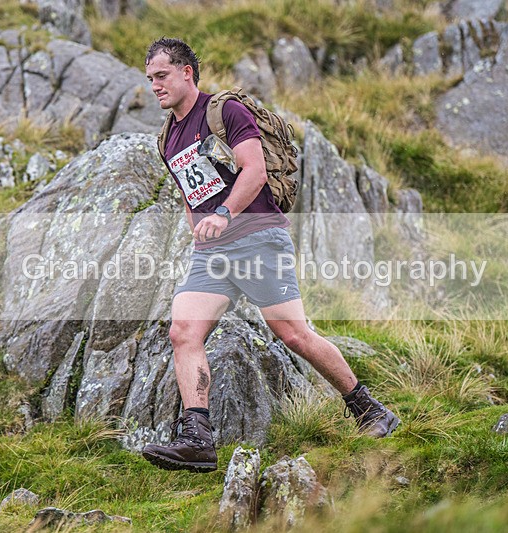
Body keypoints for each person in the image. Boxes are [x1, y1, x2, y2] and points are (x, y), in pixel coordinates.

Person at [141, 37, 399, 473]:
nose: (155, 86)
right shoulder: (167, 138)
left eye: (162, 76)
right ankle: (198, 439)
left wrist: (223, 213)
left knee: (294, 335)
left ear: (187, 72)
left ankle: (369, 409)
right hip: (213, 253)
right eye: (149, 80)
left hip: (258, 237)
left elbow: (255, 170)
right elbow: (190, 194)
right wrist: (200, 235)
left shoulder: (225, 111)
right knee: (183, 330)